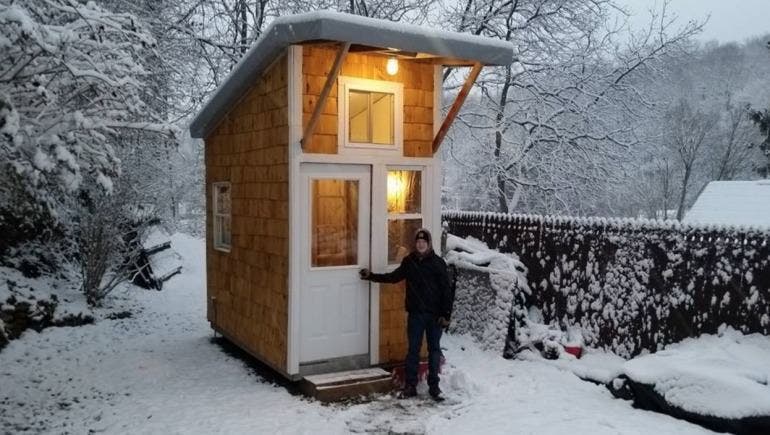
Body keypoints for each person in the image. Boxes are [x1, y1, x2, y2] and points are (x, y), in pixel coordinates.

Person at [359, 228, 453, 400]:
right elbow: (393, 277)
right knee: (413, 351)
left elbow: (447, 291)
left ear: (429, 243)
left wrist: (446, 315)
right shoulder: (409, 262)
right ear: (415, 244)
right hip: (416, 315)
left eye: (424, 242)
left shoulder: (438, 263)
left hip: (434, 316)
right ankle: (411, 386)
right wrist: (371, 276)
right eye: (418, 242)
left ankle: (434, 387)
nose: (421, 244)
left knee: (434, 350)